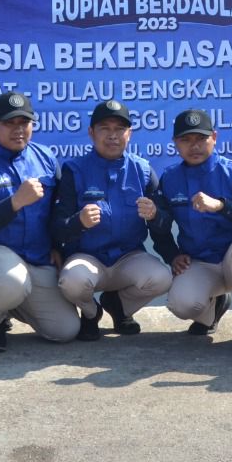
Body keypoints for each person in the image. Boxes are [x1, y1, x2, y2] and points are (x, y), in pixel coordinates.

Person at [0, 91, 80, 351]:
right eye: (9, 123)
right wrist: (15, 202)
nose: (18, 129)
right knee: (11, 282)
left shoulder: (45, 158)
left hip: (34, 258)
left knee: (65, 329)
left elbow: (58, 213)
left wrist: (58, 248)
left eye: (24, 123)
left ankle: (9, 305)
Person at [51, 100, 172, 340]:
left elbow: (165, 226)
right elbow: (56, 227)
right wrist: (79, 222)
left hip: (128, 257)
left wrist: (156, 216)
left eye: (119, 129)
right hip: (87, 257)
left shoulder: (144, 170)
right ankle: (90, 313)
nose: (112, 135)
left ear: (130, 134)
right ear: (91, 132)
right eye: (104, 128)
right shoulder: (73, 170)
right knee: (72, 282)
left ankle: (119, 308)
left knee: (162, 278)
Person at [153, 108, 232, 357]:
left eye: (201, 139)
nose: (193, 146)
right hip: (201, 264)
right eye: (186, 140)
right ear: (175, 144)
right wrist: (172, 255)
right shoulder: (170, 178)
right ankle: (213, 309)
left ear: (214, 137)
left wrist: (221, 206)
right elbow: (159, 227)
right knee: (180, 304)